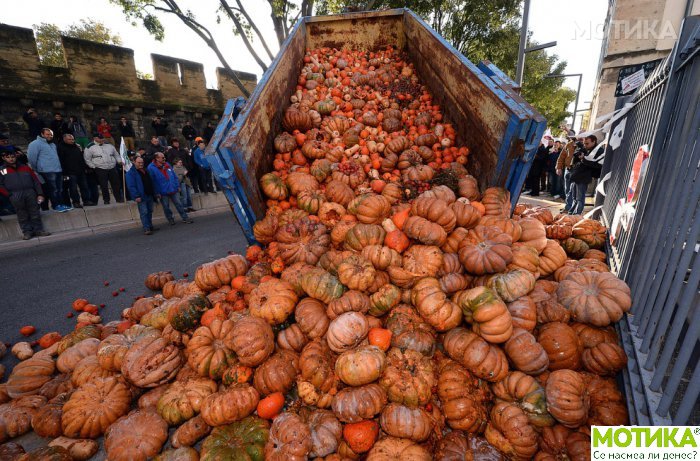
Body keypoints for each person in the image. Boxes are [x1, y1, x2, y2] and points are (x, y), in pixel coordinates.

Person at [0, 151, 51, 239]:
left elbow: (35, 181)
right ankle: (27, 232)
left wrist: (39, 193)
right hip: (15, 194)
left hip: (30, 193)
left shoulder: (25, 167)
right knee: (22, 214)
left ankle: (39, 230)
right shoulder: (2, 170)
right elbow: (0, 184)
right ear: (4, 158)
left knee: (35, 212)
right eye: (8, 157)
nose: (11, 159)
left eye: (13, 156)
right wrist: (9, 195)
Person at [27, 128, 71, 212]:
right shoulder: (35, 144)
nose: (50, 136)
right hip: (46, 171)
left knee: (60, 189)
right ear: (42, 134)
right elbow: (31, 158)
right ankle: (56, 205)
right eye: (47, 134)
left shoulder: (53, 144)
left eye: (51, 134)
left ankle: (61, 204)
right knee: (53, 189)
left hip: (57, 170)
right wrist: (37, 169)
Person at [147, 152, 193, 225]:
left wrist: (177, 186)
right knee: (166, 207)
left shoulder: (167, 164)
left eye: (164, 157)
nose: (164, 158)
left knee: (179, 204)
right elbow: (152, 182)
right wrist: (156, 192)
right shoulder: (151, 167)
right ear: (157, 158)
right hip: (162, 191)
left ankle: (185, 218)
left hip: (173, 189)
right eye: (162, 157)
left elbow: (174, 176)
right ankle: (170, 219)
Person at [568, 134, 605, 215]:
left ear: (593, 142)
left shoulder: (599, 151)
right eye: (584, 143)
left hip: (584, 177)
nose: (585, 145)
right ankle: (571, 213)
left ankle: (576, 215)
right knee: (574, 197)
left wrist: (583, 159)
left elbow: (597, 165)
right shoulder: (586, 149)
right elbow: (578, 147)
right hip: (577, 175)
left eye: (587, 143)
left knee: (579, 198)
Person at [84, 134, 124, 204]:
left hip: (112, 167)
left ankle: (119, 198)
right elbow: (87, 159)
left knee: (116, 184)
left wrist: (119, 161)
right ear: (95, 138)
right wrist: (93, 166)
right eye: (100, 138)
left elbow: (116, 155)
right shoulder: (89, 147)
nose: (102, 140)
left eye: (102, 138)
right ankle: (106, 200)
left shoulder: (109, 145)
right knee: (103, 185)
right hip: (100, 168)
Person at [57, 133, 94, 207]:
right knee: (73, 189)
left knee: (84, 187)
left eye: (73, 139)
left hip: (80, 171)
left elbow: (81, 158)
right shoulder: (61, 148)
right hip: (70, 172)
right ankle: (76, 202)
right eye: (69, 139)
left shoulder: (76, 146)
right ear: (64, 139)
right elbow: (61, 161)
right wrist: (64, 173)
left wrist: (86, 167)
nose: (72, 141)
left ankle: (86, 200)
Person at [126, 156, 159, 235]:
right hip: (141, 196)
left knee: (150, 211)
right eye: (139, 162)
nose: (141, 164)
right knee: (144, 212)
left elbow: (151, 182)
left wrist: (155, 193)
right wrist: (136, 196)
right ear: (134, 162)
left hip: (150, 194)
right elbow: (131, 186)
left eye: (142, 162)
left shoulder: (146, 170)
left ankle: (150, 226)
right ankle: (146, 228)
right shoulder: (130, 173)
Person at [557, 136, 578, 213]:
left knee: (572, 191)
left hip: (576, 171)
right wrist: (558, 167)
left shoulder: (583, 145)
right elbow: (562, 156)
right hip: (567, 169)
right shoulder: (569, 144)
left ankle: (570, 208)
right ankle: (568, 206)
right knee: (567, 189)